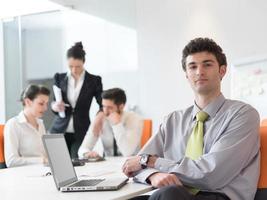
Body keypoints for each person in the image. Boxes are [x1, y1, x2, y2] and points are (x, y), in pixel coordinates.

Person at [122, 38, 260, 200]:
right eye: (192, 66)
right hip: (173, 194)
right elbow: (136, 164)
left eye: (207, 64)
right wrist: (153, 175)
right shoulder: (173, 120)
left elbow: (210, 175)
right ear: (187, 75)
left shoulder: (243, 114)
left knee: (169, 194)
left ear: (222, 71)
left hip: (218, 195)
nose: (199, 72)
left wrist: (153, 162)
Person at [50, 42, 103, 158]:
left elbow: (102, 104)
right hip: (59, 129)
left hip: (82, 130)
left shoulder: (94, 80)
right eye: (70, 66)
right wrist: (55, 106)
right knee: (58, 162)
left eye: (78, 66)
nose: (74, 70)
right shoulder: (59, 78)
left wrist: (99, 117)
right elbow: (54, 103)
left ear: (84, 62)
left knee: (78, 161)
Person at [78, 88, 143, 158]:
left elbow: (127, 152)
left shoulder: (135, 119)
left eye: (109, 107)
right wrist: (87, 153)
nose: (105, 111)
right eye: (103, 106)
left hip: (131, 163)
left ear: (121, 107)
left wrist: (117, 124)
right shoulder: (100, 120)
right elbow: (82, 149)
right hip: (108, 164)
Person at [4, 85, 50, 167]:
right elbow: (11, 161)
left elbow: (44, 154)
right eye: (41, 103)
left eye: (46, 104)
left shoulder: (40, 124)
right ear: (28, 102)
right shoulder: (13, 124)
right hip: (25, 175)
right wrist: (41, 160)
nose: (45, 108)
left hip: (44, 172)